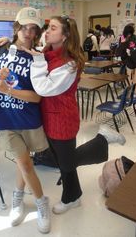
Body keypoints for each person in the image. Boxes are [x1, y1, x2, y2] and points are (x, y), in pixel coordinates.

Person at [22, 16, 126, 215]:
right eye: (47, 28)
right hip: (48, 116)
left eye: (53, 28)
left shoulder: (69, 63)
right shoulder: (46, 52)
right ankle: (75, 195)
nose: (47, 32)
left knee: (65, 162)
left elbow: (44, 88)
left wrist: (36, 60)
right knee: (61, 160)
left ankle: (102, 139)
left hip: (62, 118)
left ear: (65, 35)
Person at [0, 7, 50, 234]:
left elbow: (37, 97)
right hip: (5, 118)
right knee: (26, 164)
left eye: (33, 29)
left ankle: (18, 199)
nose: (28, 33)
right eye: (24, 27)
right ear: (17, 26)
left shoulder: (38, 58)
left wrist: (9, 91)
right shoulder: (0, 49)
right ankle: (41, 203)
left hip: (28, 118)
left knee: (24, 162)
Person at [115, 23, 136, 94]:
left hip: (129, 63)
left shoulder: (124, 40)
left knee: (130, 78)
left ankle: (131, 93)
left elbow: (118, 53)